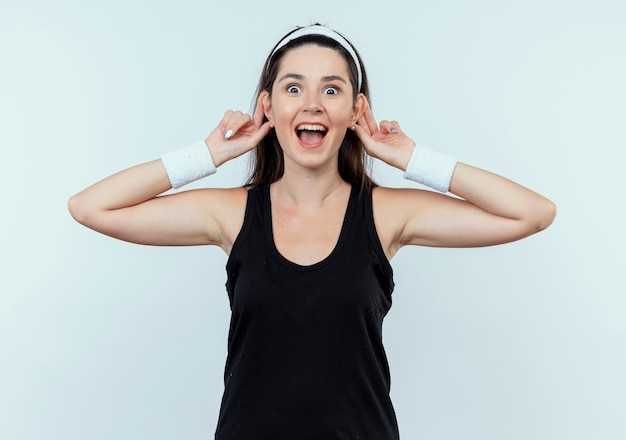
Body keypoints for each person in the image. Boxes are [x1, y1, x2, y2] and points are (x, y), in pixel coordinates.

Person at [68, 24, 556, 440]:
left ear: (354, 110)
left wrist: (411, 159)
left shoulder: (385, 214)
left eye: (331, 89)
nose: (313, 105)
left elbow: (531, 213)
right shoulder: (232, 214)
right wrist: (209, 154)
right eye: (294, 88)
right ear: (268, 105)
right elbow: (90, 207)